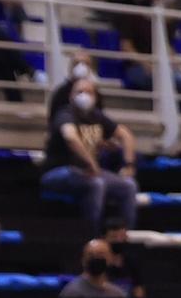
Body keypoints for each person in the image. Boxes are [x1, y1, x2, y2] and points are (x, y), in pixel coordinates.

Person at [42, 77, 138, 236]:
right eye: (79, 92)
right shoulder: (65, 113)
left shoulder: (97, 116)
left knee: (128, 186)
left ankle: (123, 238)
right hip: (58, 171)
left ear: (95, 97)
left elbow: (126, 135)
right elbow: (70, 137)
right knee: (96, 184)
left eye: (88, 92)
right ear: (71, 96)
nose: (84, 95)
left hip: (89, 173)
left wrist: (129, 165)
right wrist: (92, 164)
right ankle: (92, 237)